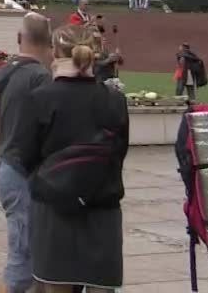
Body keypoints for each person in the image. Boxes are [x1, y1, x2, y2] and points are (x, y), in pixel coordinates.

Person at [13, 24, 128, 292]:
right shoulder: (115, 100)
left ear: (55, 52)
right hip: (103, 211)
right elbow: (119, 153)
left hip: (54, 211)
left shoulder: (39, 98)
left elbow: (24, 157)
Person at [0, 13, 52, 293]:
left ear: (18, 39)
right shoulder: (42, 78)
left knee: (30, 258)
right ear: (49, 44)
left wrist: (13, 129)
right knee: (22, 262)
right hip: (24, 170)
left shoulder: (1, 73)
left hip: (5, 166)